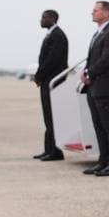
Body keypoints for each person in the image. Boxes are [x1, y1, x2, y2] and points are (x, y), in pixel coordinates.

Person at [80, 0, 109, 176]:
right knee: (99, 126)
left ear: (106, 13)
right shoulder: (98, 34)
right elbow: (93, 59)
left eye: (96, 10)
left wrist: (89, 73)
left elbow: (107, 60)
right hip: (94, 87)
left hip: (105, 87)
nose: (92, 13)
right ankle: (103, 161)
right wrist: (86, 72)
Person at [33, 9, 69, 161]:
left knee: (52, 116)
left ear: (52, 19)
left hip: (52, 81)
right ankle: (49, 149)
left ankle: (55, 151)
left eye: (44, 17)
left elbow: (52, 60)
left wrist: (39, 75)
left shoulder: (58, 36)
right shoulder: (51, 35)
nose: (41, 20)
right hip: (47, 80)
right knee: (48, 117)